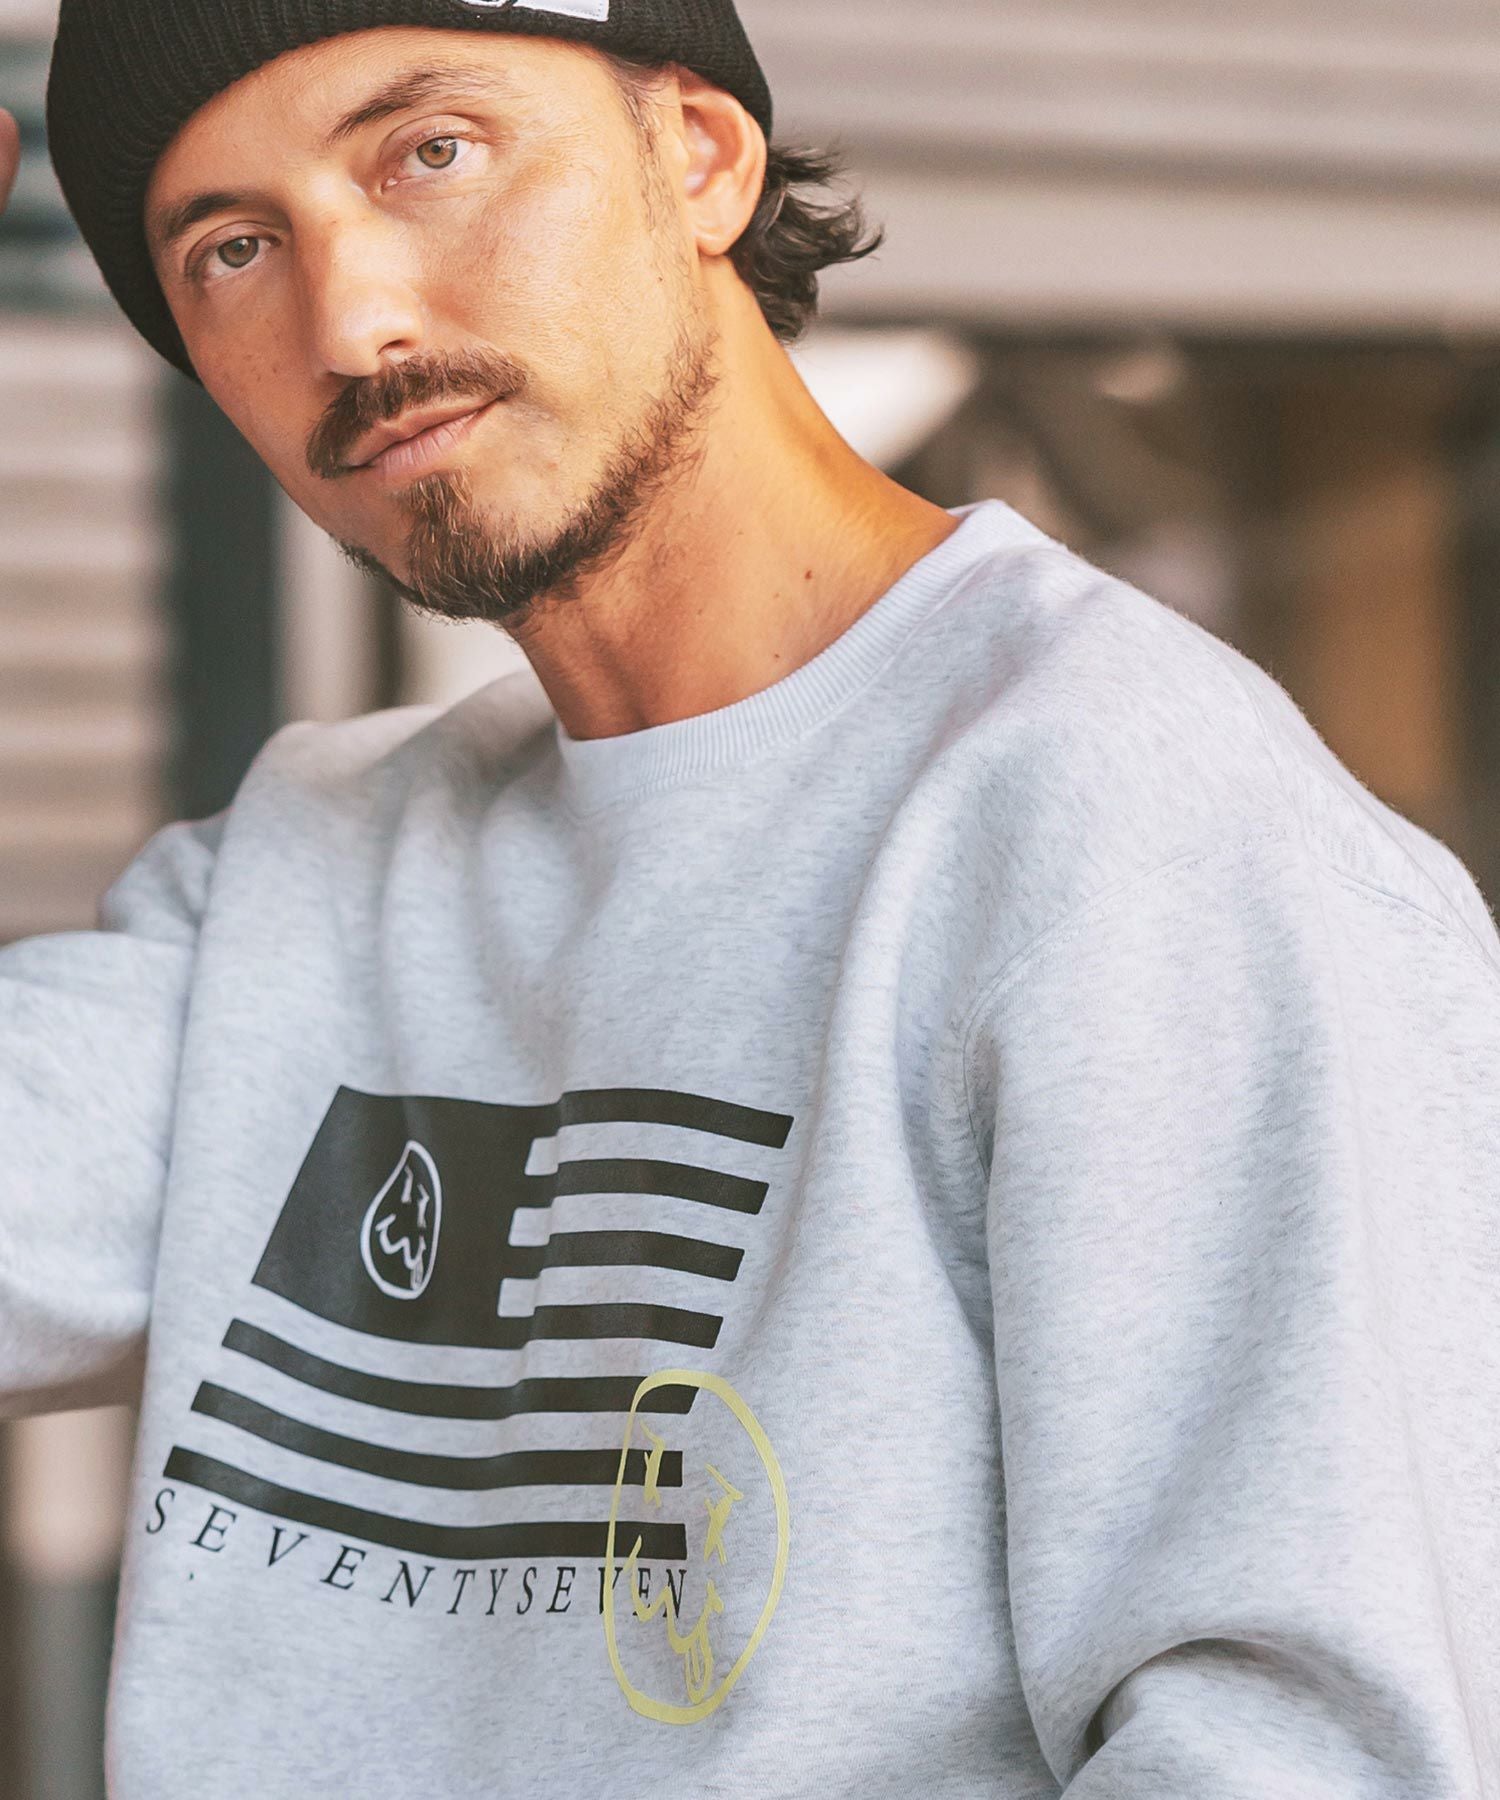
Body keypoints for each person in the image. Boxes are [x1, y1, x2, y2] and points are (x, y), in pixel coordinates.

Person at [4, 3, 1499, 1794]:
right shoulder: (305, 878)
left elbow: (1314, 1753)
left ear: (702, 157)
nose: (352, 322)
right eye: (233, 250)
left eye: (432, 153)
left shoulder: (1127, 830)